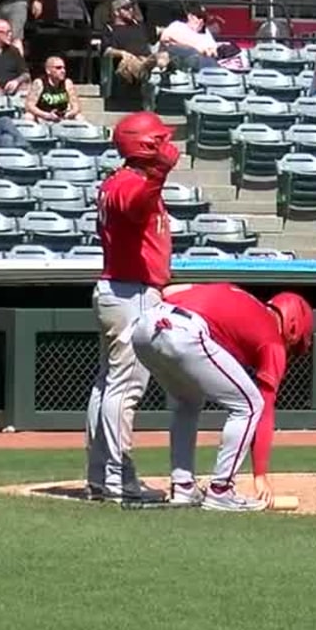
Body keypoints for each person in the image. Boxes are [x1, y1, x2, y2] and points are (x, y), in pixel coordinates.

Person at [131, 284, 315, 511]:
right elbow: (265, 409)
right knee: (250, 404)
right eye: (293, 345)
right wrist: (260, 475)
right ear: (293, 327)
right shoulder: (272, 339)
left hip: (143, 329)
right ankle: (221, 490)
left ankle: (183, 487)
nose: (289, 349)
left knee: (187, 402)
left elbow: (169, 290)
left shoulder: (242, 297)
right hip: (183, 330)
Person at [83, 112, 180, 506]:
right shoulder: (129, 183)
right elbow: (137, 205)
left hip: (122, 291)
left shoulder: (120, 179)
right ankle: (116, 477)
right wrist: (158, 174)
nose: (167, 145)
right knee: (124, 388)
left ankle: (100, 476)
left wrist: (156, 175)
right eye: (158, 140)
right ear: (145, 145)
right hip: (131, 294)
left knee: (108, 386)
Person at [25, 56, 82, 122]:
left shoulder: (67, 83)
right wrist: (46, 115)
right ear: (48, 71)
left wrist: (68, 114)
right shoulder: (39, 83)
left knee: (79, 117)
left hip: (62, 116)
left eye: (64, 68)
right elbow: (29, 106)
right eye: (58, 68)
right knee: (28, 116)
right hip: (43, 116)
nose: (63, 71)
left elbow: (76, 107)